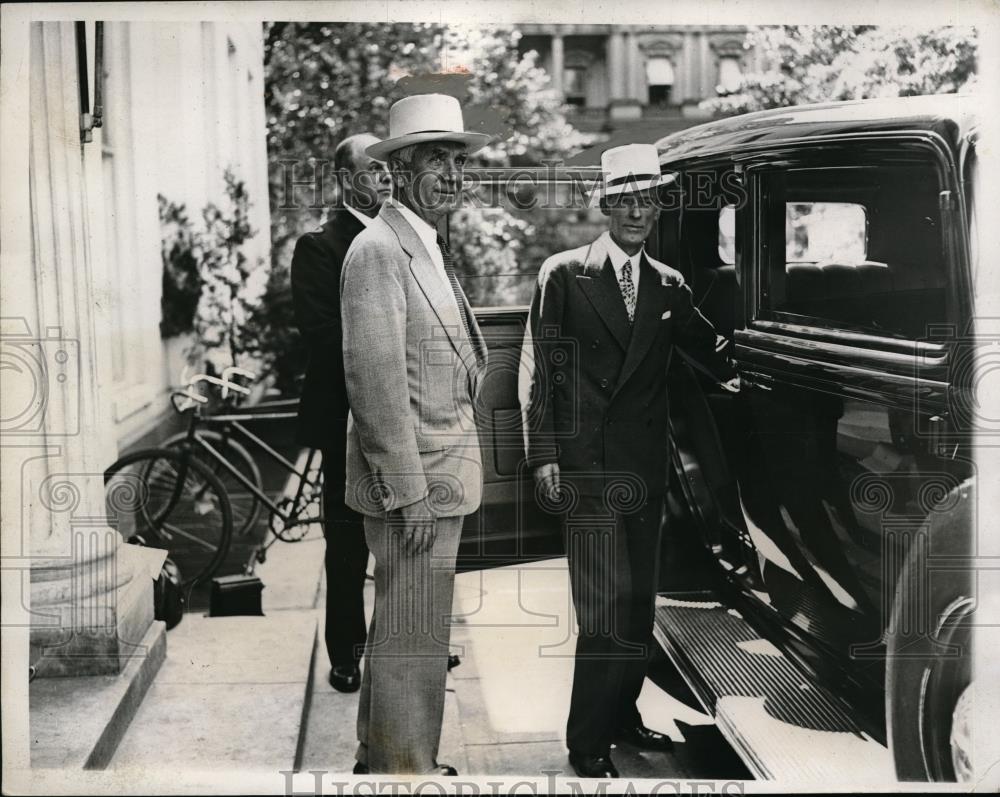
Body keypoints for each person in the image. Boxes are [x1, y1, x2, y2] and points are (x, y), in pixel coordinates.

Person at [520, 143, 737, 779]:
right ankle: (585, 740)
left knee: (639, 603)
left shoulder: (669, 285)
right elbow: (542, 375)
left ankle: (622, 714)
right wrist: (543, 457)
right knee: (603, 608)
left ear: (658, 206)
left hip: (644, 470)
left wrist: (766, 369)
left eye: (648, 199)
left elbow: (711, 351)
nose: (637, 211)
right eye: (626, 200)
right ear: (607, 205)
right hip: (585, 469)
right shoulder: (563, 275)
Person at [340, 93, 490, 776]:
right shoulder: (377, 249)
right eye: (438, 160)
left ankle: (388, 755)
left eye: (459, 161)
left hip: (436, 478)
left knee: (411, 633)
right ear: (398, 169)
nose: (454, 175)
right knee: (410, 634)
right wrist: (409, 494)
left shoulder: (421, 242)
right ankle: (405, 772)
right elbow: (374, 386)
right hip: (415, 489)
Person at [290, 133, 391, 693]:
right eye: (374, 169)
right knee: (348, 541)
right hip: (345, 419)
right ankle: (347, 653)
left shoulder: (405, 239)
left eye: (388, 169)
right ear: (348, 179)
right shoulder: (319, 247)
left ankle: (406, 640)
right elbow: (325, 336)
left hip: (405, 413)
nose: (386, 177)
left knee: (405, 536)